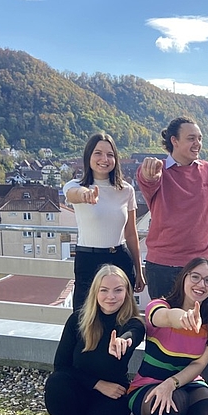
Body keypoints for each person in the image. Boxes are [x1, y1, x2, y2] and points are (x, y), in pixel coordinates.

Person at [44, 265, 145, 415]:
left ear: (127, 292)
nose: (111, 297)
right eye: (104, 290)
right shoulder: (78, 320)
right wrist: (98, 383)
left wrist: (123, 340)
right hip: (82, 390)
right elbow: (61, 366)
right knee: (56, 383)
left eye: (118, 290)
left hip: (113, 395)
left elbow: (132, 334)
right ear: (95, 292)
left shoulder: (133, 323)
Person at [127, 258, 208, 415]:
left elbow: (200, 362)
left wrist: (172, 382)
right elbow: (168, 317)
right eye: (195, 277)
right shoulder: (159, 306)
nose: (201, 284)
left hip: (187, 380)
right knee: (173, 402)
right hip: (147, 384)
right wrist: (184, 318)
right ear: (183, 278)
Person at [137, 116, 208, 299]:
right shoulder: (158, 171)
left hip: (202, 265)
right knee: (164, 317)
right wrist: (149, 173)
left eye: (199, 138)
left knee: (200, 318)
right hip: (163, 266)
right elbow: (148, 179)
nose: (197, 143)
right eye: (191, 138)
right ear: (174, 141)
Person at [64, 133, 145, 311]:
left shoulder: (126, 190)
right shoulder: (75, 186)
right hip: (88, 260)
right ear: (88, 156)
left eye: (110, 154)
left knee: (121, 315)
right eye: (98, 153)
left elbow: (131, 234)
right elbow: (73, 195)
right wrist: (85, 195)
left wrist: (139, 270)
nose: (104, 159)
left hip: (120, 258)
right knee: (84, 317)